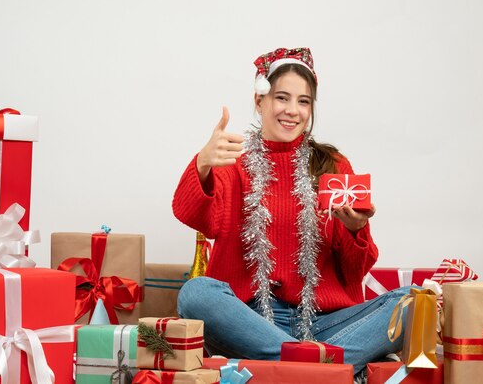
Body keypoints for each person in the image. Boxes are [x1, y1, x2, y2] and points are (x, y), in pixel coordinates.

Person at [172, 47, 410, 376]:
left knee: (413, 301)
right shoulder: (234, 162)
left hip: (325, 323)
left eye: (303, 101)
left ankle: (295, 370)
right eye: (282, 98)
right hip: (250, 321)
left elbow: (354, 274)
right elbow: (193, 215)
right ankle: (322, 371)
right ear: (260, 101)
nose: (292, 111)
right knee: (195, 293)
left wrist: (355, 231)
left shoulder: (333, 166)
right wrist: (201, 164)